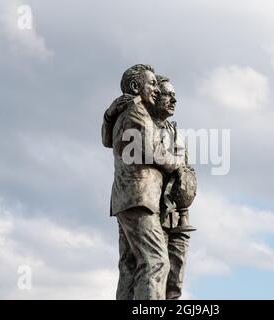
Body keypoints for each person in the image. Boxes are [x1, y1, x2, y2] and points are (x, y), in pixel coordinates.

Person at [101, 64, 181, 300]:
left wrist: (109, 113)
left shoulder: (123, 113)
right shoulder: (138, 112)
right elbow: (150, 151)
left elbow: (106, 140)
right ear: (136, 87)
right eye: (152, 84)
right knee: (156, 262)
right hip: (140, 198)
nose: (157, 89)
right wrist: (177, 163)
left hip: (125, 199)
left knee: (129, 265)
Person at [154, 75, 196, 300]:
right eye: (168, 95)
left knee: (176, 281)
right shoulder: (145, 127)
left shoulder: (178, 134)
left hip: (178, 219)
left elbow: (187, 171)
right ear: (154, 96)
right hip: (153, 213)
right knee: (155, 273)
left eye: (175, 96)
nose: (173, 100)